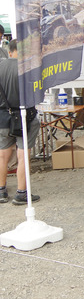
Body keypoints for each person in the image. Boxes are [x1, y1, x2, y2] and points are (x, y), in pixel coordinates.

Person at [0, 40, 40, 205]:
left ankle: (1, 191)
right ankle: (21, 193)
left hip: (2, 117)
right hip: (24, 117)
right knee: (23, 155)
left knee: (2, 155)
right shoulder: (28, 69)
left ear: (10, 51)